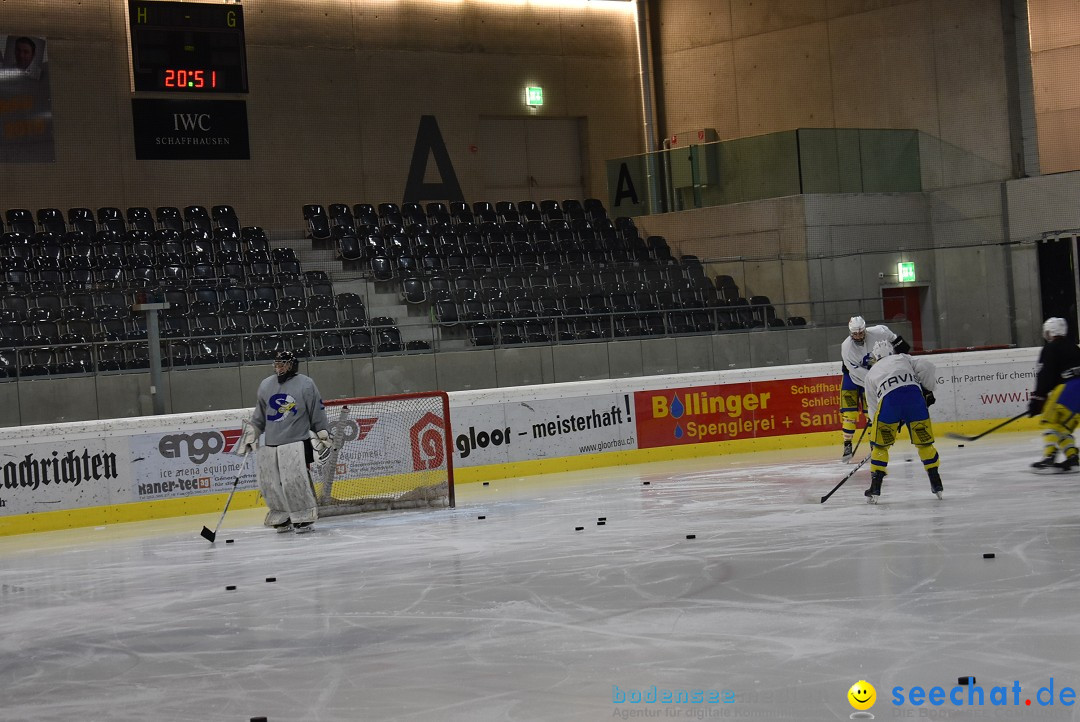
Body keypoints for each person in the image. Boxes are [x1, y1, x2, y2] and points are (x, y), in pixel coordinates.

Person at [236, 350, 332, 532]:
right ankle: (281, 515)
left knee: (294, 480)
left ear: (292, 365)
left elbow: (316, 410)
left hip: (297, 441)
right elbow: (260, 415)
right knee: (270, 482)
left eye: (283, 363)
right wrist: (253, 433)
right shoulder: (266, 385)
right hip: (272, 443)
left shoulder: (306, 384)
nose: (279, 367)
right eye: (277, 364)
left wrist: (322, 430)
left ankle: (303, 515)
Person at [862, 339, 941, 503]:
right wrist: (928, 389)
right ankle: (936, 483)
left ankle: (875, 487)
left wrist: (877, 428)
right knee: (925, 443)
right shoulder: (904, 358)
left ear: (875, 357)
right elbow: (928, 366)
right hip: (915, 397)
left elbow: (873, 407)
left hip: (889, 402)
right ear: (892, 352)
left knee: (880, 447)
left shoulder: (870, 373)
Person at [839, 316, 910, 460]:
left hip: (873, 379)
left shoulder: (879, 332)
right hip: (852, 379)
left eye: (860, 333)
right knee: (850, 414)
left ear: (865, 329)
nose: (858, 337)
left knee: (871, 413)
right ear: (850, 333)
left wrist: (900, 348)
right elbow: (855, 371)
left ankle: (874, 444)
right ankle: (847, 444)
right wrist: (879, 378)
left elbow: (893, 337)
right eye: (855, 334)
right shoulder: (846, 347)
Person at [1027, 317, 1080, 472]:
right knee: (1062, 427)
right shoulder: (1075, 348)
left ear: (1050, 332)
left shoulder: (1050, 348)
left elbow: (1045, 376)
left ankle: (1049, 457)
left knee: (1049, 422)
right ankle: (1072, 458)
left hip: (1067, 389)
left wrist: (1037, 399)